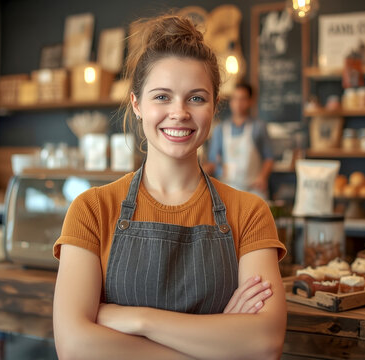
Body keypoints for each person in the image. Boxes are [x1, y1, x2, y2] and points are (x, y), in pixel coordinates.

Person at [53, 15, 287, 359]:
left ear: (214, 106)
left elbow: (265, 343)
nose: (179, 112)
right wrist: (219, 342)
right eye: (162, 96)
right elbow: (74, 347)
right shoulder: (91, 209)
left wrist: (137, 320)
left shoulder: (249, 213)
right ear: (137, 104)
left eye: (196, 98)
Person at [205, 82, 275, 199]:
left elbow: (269, 158)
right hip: (227, 190)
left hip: (253, 190)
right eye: (235, 99)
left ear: (251, 101)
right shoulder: (220, 129)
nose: (238, 104)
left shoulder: (258, 127)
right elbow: (213, 162)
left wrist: (262, 177)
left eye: (242, 99)